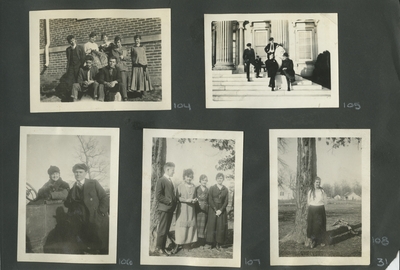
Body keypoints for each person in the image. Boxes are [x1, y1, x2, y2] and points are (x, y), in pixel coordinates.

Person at [64, 163, 109, 254]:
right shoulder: (73, 188)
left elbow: (104, 197)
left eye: (80, 172)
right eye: (76, 172)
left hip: (96, 218)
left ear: (85, 173)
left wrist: (101, 212)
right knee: (89, 245)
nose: (78, 174)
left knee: (102, 244)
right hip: (82, 221)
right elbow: (68, 204)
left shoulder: (93, 183)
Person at [155, 162, 177, 256]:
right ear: (167, 170)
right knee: (162, 230)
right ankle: (159, 248)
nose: (174, 172)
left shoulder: (169, 180)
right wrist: (169, 201)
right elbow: (158, 196)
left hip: (170, 209)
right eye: (172, 170)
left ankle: (163, 248)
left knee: (166, 230)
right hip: (164, 209)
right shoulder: (161, 180)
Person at [174, 169, 198, 254]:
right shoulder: (180, 186)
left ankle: (187, 244)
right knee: (181, 226)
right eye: (188, 176)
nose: (189, 178)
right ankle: (180, 242)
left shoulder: (194, 186)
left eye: (191, 177)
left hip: (191, 209)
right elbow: (178, 198)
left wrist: (195, 200)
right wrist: (186, 200)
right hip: (182, 209)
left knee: (190, 225)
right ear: (184, 177)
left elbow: (195, 196)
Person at [205, 173, 229, 250]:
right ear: (216, 179)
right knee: (212, 225)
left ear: (223, 179)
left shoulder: (225, 189)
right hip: (213, 209)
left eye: (221, 178)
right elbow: (210, 199)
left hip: (222, 210)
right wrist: (215, 209)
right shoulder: (212, 188)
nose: (220, 179)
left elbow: (226, 201)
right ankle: (210, 243)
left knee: (220, 226)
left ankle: (219, 244)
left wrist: (221, 210)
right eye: (218, 178)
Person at [307, 176, 327, 249]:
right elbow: (308, 201)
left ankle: (322, 240)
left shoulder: (322, 191)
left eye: (319, 182)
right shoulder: (310, 191)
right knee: (312, 225)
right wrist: (313, 206)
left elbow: (325, 200)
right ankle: (313, 241)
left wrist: (320, 205)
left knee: (321, 224)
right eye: (316, 182)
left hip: (320, 208)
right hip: (312, 209)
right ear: (314, 183)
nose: (318, 184)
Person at [110, 36, 130, 101]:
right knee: (122, 82)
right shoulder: (114, 50)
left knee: (126, 82)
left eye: (118, 42)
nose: (117, 44)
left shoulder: (124, 49)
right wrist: (120, 56)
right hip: (119, 67)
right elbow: (115, 58)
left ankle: (124, 94)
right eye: (116, 42)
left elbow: (128, 58)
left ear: (120, 42)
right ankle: (125, 97)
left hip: (125, 67)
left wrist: (123, 57)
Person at [195, 174, 209, 248]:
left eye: (206, 180)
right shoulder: (196, 189)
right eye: (203, 180)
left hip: (205, 210)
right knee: (197, 225)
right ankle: (196, 241)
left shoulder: (207, 190)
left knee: (203, 226)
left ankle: (202, 242)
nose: (204, 181)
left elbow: (209, 200)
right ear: (200, 181)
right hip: (198, 209)